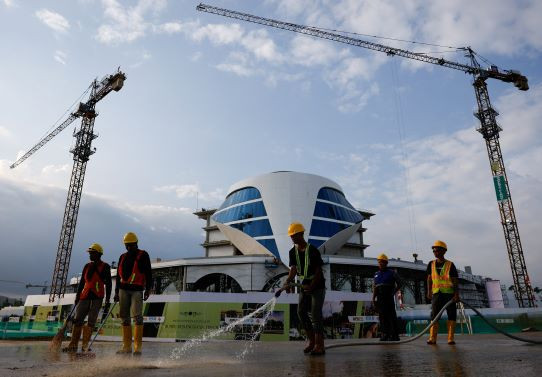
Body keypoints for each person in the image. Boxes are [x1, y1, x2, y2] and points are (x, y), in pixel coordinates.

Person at [281, 222, 326, 356]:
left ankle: (320, 345)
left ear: (301, 234)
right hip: (304, 284)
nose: (292, 238)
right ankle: (311, 341)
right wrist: (287, 282)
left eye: (294, 235)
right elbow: (293, 270)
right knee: (301, 312)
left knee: (316, 314)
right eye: (291, 236)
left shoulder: (313, 250)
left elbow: (319, 271)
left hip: (317, 285)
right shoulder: (292, 252)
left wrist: (311, 286)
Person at [63, 243, 112, 353]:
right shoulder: (87, 266)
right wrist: (77, 296)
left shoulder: (105, 266)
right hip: (84, 297)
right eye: (90, 253)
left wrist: (108, 299)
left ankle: (85, 346)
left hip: (97, 297)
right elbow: (82, 283)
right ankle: (73, 345)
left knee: (91, 322)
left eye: (92, 253)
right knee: (77, 321)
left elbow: (109, 284)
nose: (90, 255)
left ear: (99, 254)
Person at [114, 232, 152, 355]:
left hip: (137, 290)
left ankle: (137, 348)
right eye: (127, 245)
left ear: (136, 243)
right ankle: (126, 347)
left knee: (137, 317)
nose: (129, 247)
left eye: (131, 245)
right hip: (123, 289)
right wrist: (116, 293)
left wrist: (148, 289)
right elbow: (118, 276)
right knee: (124, 317)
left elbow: (148, 273)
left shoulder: (143, 255)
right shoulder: (122, 257)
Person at [426, 240, 460, 345]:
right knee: (434, 315)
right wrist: (429, 291)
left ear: (443, 251)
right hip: (437, 293)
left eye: (437, 250)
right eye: (434, 250)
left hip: (449, 294)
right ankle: (432, 338)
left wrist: (456, 294)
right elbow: (429, 278)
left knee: (452, 315)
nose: (435, 252)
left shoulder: (450, 265)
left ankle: (450, 338)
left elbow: (454, 280)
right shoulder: (431, 264)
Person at [372, 253, 402, 341]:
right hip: (380, 298)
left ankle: (395, 335)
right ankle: (385, 334)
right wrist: (373, 298)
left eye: (382, 262)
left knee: (391, 316)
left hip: (388, 297)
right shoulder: (376, 274)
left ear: (386, 263)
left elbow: (400, 283)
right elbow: (375, 287)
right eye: (379, 262)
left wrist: (394, 291)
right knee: (382, 317)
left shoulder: (392, 273)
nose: (380, 264)